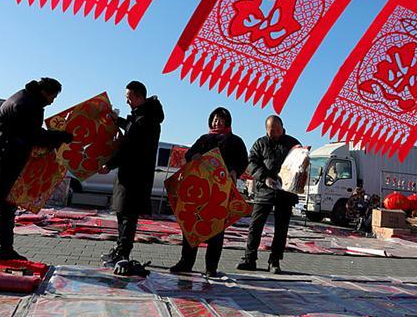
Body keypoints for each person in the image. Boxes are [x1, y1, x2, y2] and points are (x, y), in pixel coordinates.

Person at [0, 79, 73, 263]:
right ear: (45, 92)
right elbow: (34, 135)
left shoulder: (26, 98)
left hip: (6, 156)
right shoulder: (27, 104)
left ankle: (4, 249)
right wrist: (60, 136)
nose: (52, 101)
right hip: (1, 158)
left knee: (8, 205)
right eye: (53, 96)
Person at [170, 107, 248, 278]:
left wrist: (235, 171)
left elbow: (243, 161)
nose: (216, 122)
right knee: (192, 225)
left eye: (220, 119)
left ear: (227, 121)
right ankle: (186, 262)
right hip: (199, 189)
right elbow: (190, 154)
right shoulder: (204, 138)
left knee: (216, 227)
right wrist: (195, 156)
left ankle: (211, 267)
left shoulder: (235, 141)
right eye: (214, 119)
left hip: (220, 190)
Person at [100, 81, 165, 266]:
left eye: (129, 98)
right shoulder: (142, 116)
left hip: (135, 176)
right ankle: (120, 250)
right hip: (131, 174)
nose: (127, 101)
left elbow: (129, 148)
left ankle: (123, 254)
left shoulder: (146, 120)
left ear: (139, 97)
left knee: (128, 216)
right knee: (122, 213)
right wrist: (118, 121)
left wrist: (109, 164)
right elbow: (131, 128)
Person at [236, 115, 301, 274]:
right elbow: (251, 163)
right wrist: (264, 178)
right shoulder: (260, 143)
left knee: (281, 229)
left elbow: (301, 163)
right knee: (255, 226)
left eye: (278, 130)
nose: (275, 133)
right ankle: (249, 259)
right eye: (272, 131)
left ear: (282, 127)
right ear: (266, 130)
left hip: (285, 193)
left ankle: (274, 261)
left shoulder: (293, 144)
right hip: (264, 191)